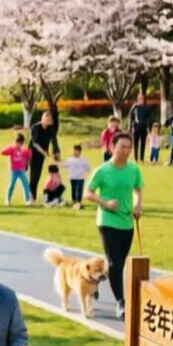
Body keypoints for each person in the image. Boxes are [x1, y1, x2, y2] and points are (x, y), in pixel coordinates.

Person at [86, 132, 143, 319]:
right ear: (112, 147)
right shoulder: (102, 170)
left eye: (128, 147)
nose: (126, 151)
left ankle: (96, 282)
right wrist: (104, 203)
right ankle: (121, 302)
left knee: (118, 262)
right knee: (115, 263)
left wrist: (137, 205)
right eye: (122, 147)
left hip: (126, 223)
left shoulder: (133, 170)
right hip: (107, 221)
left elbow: (137, 190)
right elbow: (88, 193)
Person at [28, 110, 60, 203]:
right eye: (49, 119)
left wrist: (57, 152)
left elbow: (54, 141)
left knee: (37, 175)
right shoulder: (35, 128)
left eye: (51, 120)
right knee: (33, 176)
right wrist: (45, 153)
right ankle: (32, 198)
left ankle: (32, 197)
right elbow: (35, 143)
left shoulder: (51, 128)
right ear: (44, 118)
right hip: (33, 154)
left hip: (42, 154)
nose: (51, 122)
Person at [0, 133, 31, 206]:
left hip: (22, 170)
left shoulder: (24, 150)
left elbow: (29, 155)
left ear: (22, 143)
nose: (18, 144)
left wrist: (26, 150)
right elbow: (3, 152)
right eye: (17, 142)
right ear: (14, 142)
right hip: (13, 170)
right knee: (11, 185)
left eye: (20, 143)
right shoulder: (12, 149)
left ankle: (27, 200)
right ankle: (7, 200)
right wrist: (10, 147)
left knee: (25, 185)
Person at [64, 143, 91, 209]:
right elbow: (64, 165)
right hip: (72, 178)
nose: (74, 152)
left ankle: (78, 202)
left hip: (80, 178)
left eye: (76, 151)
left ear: (79, 152)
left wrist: (86, 173)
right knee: (73, 190)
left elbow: (88, 167)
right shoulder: (70, 159)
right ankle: (74, 202)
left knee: (79, 190)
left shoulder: (83, 160)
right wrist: (56, 161)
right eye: (73, 151)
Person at [129, 92, 152, 162]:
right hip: (136, 127)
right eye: (139, 97)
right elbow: (131, 117)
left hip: (143, 127)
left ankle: (141, 158)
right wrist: (130, 127)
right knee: (135, 143)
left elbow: (149, 118)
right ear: (138, 98)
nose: (141, 99)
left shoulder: (147, 107)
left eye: (142, 98)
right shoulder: (135, 107)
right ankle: (136, 158)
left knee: (143, 143)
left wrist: (149, 127)